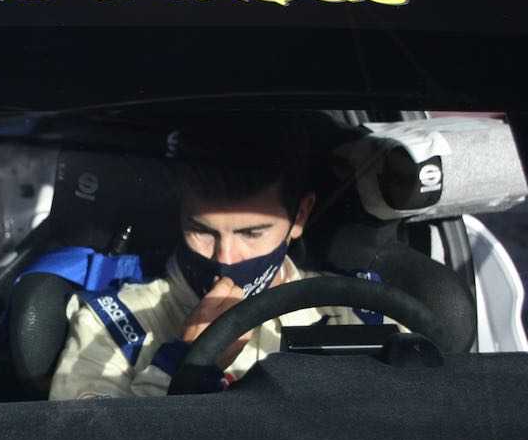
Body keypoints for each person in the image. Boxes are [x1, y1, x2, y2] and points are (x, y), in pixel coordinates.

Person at [48, 146, 392, 400]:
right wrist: (179, 368)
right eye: (202, 230)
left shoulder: (357, 313)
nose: (225, 257)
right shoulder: (111, 323)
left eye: (251, 233)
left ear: (300, 216)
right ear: (180, 213)